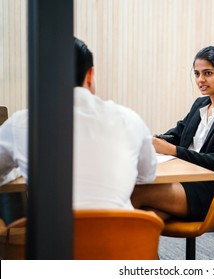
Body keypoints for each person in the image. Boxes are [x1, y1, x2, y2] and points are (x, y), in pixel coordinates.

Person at [0, 37, 157, 210]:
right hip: (120, 234)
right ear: (90, 75)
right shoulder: (131, 119)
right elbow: (147, 176)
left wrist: (17, 171)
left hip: (53, 236)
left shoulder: (22, 123)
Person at [131, 46, 214, 221]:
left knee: (137, 191)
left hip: (212, 189)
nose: (200, 80)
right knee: (145, 218)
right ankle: (133, 248)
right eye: (197, 74)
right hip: (186, 180)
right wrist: (154, 140)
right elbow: (177, 133)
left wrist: (172, 150)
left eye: (208, 73)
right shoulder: (200, 104)